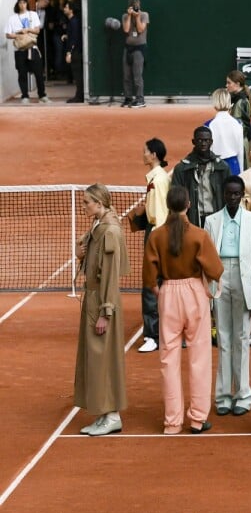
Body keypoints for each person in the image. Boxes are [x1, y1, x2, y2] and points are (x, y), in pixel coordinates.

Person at [144, 187, 224, 435]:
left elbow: (149, 277)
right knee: (199, 357)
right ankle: (198, 419)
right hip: (194, 293)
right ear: (188, 204)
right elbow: (216, 270)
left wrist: (162, 291)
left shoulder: (156, 236)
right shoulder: (199, 235)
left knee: (168, 359)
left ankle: (172, 422)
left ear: (168, 205)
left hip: (168, 293)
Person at [204, 176, 251, 417]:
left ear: (243, 195)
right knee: (224, 338)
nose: (232, 198)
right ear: (223, 195)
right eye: (229, 193)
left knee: (242, 337)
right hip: (220, 277)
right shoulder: (211, 221)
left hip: (243, 277)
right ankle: (223, 396)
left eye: (237, 194)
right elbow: (207, 254)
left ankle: (243, 395)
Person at [75, 184, 129, 436]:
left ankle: (113, 415)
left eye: (86, 202)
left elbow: (109, 275)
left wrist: (105, 313)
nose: (84, 206)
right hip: (94, 298)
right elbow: (93, 262)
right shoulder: (98, 226)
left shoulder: (109, 230)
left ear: (98, 203)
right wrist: (80, 254)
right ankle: (104, 413)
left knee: (104, 358)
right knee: (96, 359)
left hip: (102, 300)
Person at [130, 138, 171, 353]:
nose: (143, 153)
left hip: (156, 236)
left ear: (154, 154)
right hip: (157, 234)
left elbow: (160, 215)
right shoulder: (159, 178)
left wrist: (155, 242)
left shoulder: (158, 181)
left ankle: (152, 335)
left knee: (150, 285)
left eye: (145, 151)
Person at [171, 126, 232, 227]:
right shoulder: (181, 169)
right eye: (200, 140)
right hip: (192, 220)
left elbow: (229, 194)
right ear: (193, 142)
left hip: (216, 219)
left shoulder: (222, 167)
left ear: (211, 142)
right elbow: (176, 197)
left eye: (206, 140)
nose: (203, 143)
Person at [118, 0, 149, 108]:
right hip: (128, 48)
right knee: (126, 75)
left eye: (137, 6)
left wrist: (137, 17)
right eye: (133, 6)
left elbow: (140, 29)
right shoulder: (125, 16)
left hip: (139, 49)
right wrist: (130, 16)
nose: (135, 8)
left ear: (139, 5)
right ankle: (128, 98)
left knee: (137, 75)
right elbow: (126, 30)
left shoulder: (144, 15)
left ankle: (140, 99)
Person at [209, 89, 245, 175]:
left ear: (215, 104)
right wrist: (242, 173)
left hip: (216, 166)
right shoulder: (237, 123)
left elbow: (209, 150)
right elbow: (240, 150)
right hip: (233, 165)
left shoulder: (210, 125)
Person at [62, 0, 86, 103]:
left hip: (75, 52)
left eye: (66, 7)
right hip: (75, 50)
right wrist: (67, 36)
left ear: (71, 10)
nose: (64, 9)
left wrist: (69, 52)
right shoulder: (74, 21)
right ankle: (79, 95)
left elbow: (75, 38)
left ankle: (79, 96)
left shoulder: (74, 21)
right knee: (77, 74)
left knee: (78, 74)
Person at [226, 70, 251, 142]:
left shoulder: (241, 101)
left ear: (237, 84)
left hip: (239, 142)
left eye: (229, 83)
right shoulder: (235, 99)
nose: (226, 85)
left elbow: (244, 126)